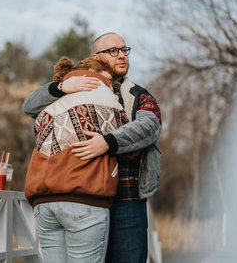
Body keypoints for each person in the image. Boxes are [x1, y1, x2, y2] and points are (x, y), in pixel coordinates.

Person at [23, 32, 162, 263]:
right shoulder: (76, 85)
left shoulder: (138, 94)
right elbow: (29, 106)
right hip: (84, 193)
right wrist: (60, 87)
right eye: (113, 51)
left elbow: (149, 126)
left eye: (124, 50)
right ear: (96, 57)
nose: (121, 56)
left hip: (127, 197)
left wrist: (108, 142)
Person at [24, 56, 130, 263]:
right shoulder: (104, 97)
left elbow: (29, 109)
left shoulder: (50, 106)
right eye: (108, 79)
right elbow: (130, 146)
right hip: (82, 198)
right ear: (91, 71)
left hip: (43, 203)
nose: (112, 86)